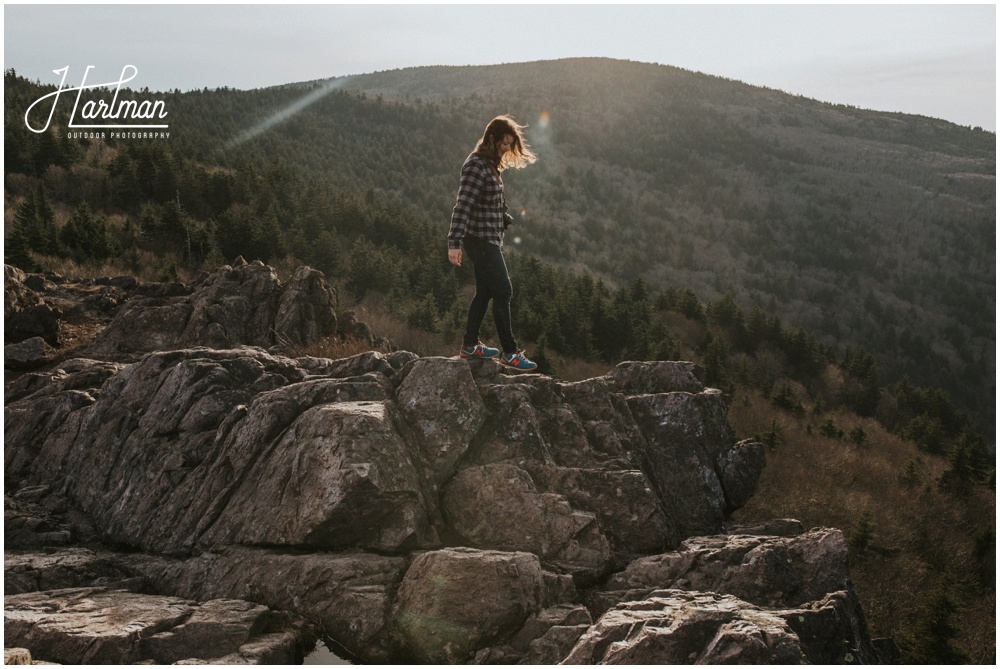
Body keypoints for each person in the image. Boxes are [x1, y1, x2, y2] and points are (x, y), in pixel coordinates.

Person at [448, 114, 538, 372]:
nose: (507, 148)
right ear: (491, 138)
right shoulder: (476, 165)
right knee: (504, 291)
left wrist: (502, 216)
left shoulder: (490, 164)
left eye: (510, 144)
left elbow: (485, 202)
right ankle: (510, 353)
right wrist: (453, 242)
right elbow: (463, 205)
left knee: (486, 291)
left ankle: (469, 345)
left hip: (488, 238)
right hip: (479, 240)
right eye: (504, 143)